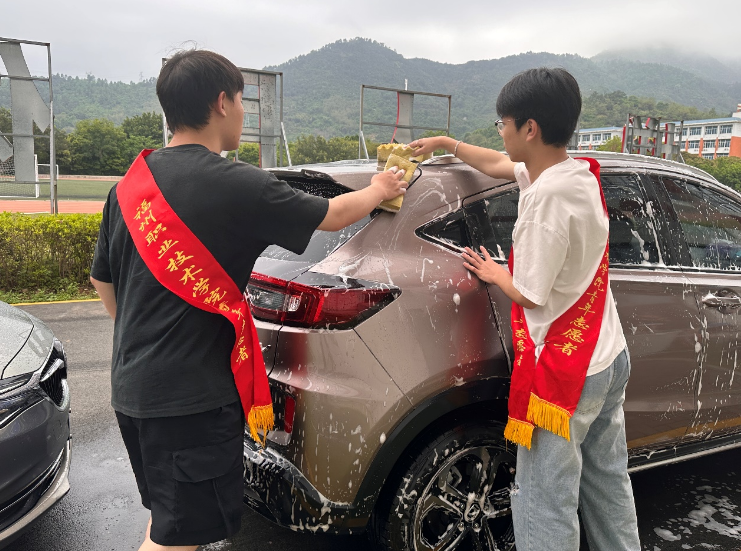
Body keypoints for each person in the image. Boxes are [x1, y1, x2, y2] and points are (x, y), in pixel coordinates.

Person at [90, 49, 407, 551]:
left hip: (132, 390)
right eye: (241, 101)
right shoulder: (236, 183)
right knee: (177, 539)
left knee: (170, 519)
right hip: (190, 403)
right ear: (222, 103)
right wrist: (380, 187)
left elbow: (103, 283)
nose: (242, 111)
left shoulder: (129, 187)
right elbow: (331, 215)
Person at [410, 68, 640, 551]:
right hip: (606, 353)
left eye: (503, 123)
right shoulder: (575, 173)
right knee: (608, 486)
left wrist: (494, 273)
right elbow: (498, 164)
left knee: (544, 501)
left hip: (567, 375)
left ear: (529, 128)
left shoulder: (546, 202)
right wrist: (447, 144)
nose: (500, 132)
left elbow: (530, 293)